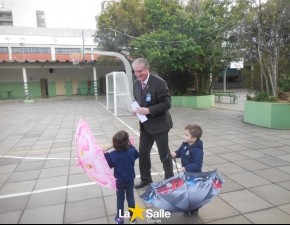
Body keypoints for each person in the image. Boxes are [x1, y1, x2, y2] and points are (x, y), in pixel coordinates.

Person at [132, 58, 174, 189]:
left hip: (160, 125)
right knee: (143, 154)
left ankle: (169, 181)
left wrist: (148, 110)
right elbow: (138, 100)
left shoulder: (159, 83)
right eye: (136, 72)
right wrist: (136, 109)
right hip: (145, 126)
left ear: (147, 69)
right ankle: (145, 179)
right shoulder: (136, 84)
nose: (138, 74)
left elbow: (167, 104)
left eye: (141, 71)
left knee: (164, 155)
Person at [103, 130, 139, 224]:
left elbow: (109, 165)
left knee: (120, 199)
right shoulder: (132, 151)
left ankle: (120, 218)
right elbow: (136, 154)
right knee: (130, 198)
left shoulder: (113, 155)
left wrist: (105, 154)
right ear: (127, 141)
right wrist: (131, 145)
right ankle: (133, 217)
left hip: (119, 181)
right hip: (130, 179)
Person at [170, 124, 204, 217]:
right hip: (187, 174)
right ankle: (188, 206)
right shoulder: (185, 144)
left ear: (194, 139)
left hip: (194, 176)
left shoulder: (198, 150)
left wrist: (186, 168)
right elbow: (180, 151)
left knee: (193, 194)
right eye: (184, 134)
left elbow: (197, 164)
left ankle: (194, 209)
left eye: (186, 135)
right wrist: (175, 154)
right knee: (187, 191)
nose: (183, 136)